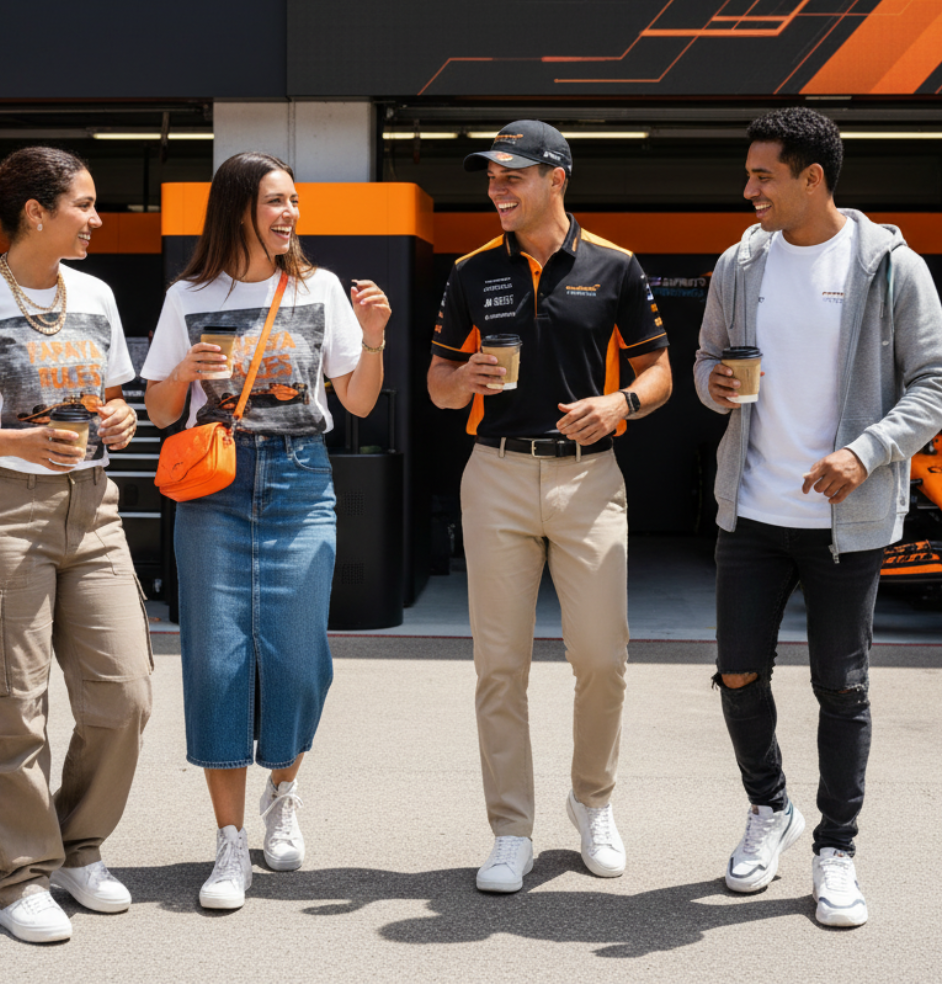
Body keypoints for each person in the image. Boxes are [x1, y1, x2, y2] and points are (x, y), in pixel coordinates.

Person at [695, 107, 942, 927]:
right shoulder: (740, 264)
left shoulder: (889, 267)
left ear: (813, 179)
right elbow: (706, 362)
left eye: (764, 175)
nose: (748, 189)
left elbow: (932, 386)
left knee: (842, 686)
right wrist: (713, 386)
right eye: (748, 173)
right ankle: (771, 808)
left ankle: (836, 847)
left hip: (848, 520)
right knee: (737, 674)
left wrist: (865, 452)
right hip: (753, 512)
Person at [0, 147, 152, 944]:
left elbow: (113, 398)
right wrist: (15, 440)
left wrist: (121, 419)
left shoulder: (96, 294)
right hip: (5, 514)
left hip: (94, 508)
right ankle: (21, 876)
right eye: (84, 204)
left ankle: (78, 848)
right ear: (37, 213)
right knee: (11, 705)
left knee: (124, 697)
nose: (97, 218)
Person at [142, 151, 390, 911]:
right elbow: (156, 412)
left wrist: (374, 337)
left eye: (294, 202)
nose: (291, 215)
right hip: (214, 486)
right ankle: (227, 843)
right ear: (237, 208)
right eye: (277, 202)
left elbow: (359, 402)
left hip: (300, 480)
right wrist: (184, 370)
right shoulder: (190, 294)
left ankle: (283, 792)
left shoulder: (318, 290)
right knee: (216, 660)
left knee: (295, 656)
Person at [428, 121, 672, 892]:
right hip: (495, 475)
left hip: (589, 478)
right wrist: (459, 379)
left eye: (511, 176)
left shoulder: (616, 266)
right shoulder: (469, 272)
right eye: (490, 177)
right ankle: (510, 829)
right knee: (499, 666)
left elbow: (660, 370)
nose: (496, 189)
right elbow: (437, 385)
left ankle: (591, 802)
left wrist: (621, 403)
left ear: (556, 177)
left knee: (601, 659)